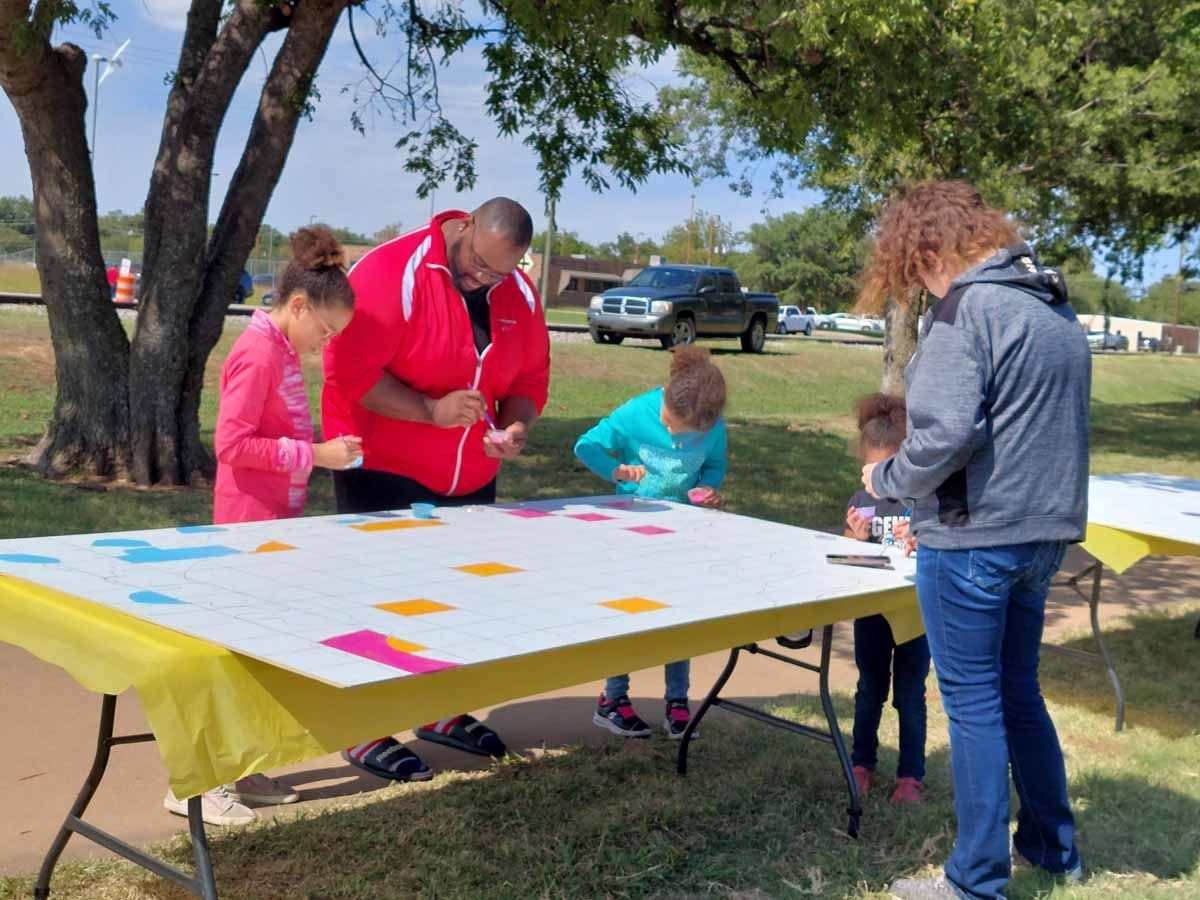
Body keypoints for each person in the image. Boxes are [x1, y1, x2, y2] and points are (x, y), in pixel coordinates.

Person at [857, 182, 1090, 900]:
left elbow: (944, 435)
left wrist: (886, 476)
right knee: (1019, 691)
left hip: (973, 540)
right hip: (1043, 533)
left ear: (929, 251)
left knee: (976, 705)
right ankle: (1053, 848)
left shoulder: (967, 310)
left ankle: (974, 880)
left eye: (914, 271)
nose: (919, 288)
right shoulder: (1052, 306)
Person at [322, 197, 550, 782]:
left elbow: (527, 378)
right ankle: (362, 723)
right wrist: (428, 409)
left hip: (468, 472)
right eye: (478, 263)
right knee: (379, 594)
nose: (483, 279)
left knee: (452, 597)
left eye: (501, 272)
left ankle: (440, 711)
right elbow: (350, 373)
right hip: (382, 463)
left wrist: (517, 424)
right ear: (465, 224)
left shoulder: (517, 297)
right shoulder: (387, 273)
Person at [164, 226, 362, 827]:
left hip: (273, 525)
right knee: (228, 656)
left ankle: (236, 767)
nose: (323, 345)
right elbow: (231, 445)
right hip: (246, 527)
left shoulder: (278, 347)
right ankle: (191, 786)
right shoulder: (256, 352)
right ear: (298, 306)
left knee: (254, 655)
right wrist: (316, 456)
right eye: (324, 332)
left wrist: (318, 454)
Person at [573, 345, 727, 739]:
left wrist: (708, 488)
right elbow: (586, 445)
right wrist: (616, 468)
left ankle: (677, 702)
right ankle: (613, 699)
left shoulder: (713, 427)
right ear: (663, 397)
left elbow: (714, 465)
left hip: (681, 534)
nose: (673, 435)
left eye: (683, 432)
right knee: (627, 612)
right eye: (669, 423)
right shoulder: (635, 412)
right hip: (629, 532)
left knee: (679, 615)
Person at [844, 393, 929, 806]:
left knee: (910, 696)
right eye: (871, 467)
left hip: (915, 614)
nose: (877, 476)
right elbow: (847, 552)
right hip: (873, 613)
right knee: (869, 690)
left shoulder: (923, 502)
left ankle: (911, 776)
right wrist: (856, 540)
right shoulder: (861, 500)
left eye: (887, 468)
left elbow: (937, 545)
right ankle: (861, 765)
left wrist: (918, 538)